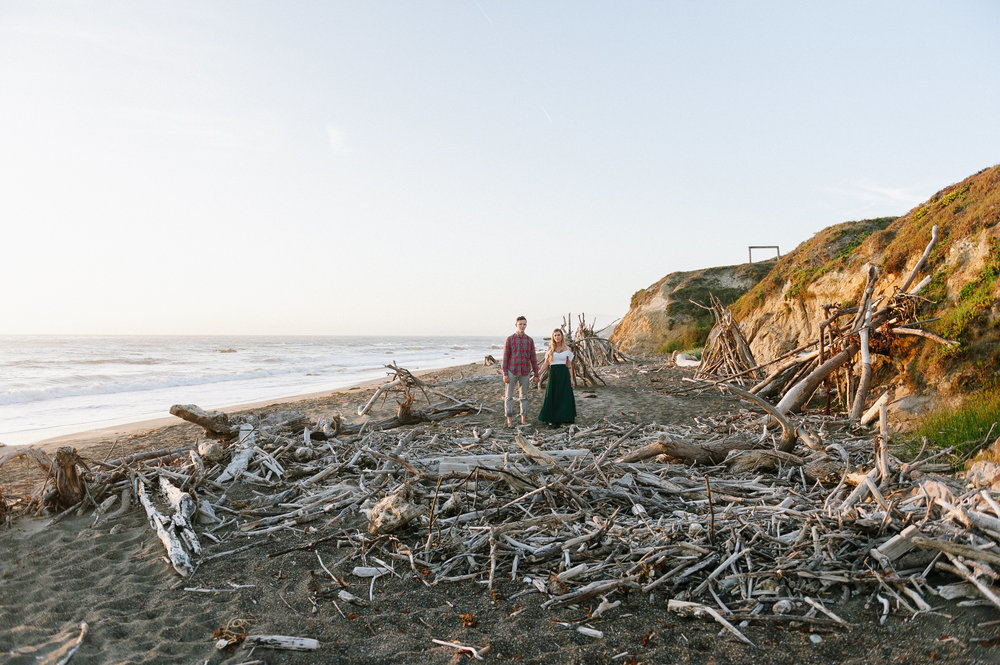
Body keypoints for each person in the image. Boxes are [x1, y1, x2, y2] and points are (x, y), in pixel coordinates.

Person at [501, 316, 539, 427]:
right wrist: (505, 373)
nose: (522, 326)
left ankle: (523, 420)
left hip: (525, 372)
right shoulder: (510, 339)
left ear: (526, 325)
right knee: (508, 396)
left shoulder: (529, 340)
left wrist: (536, 373)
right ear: (516, 325)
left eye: (524, 324)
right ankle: (509, 421)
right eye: (520, 324)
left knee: (524, 396)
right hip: (512, 371)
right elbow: (505, 357)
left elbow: (533, 358)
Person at [537, 328, 577, 428]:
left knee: (564, 396)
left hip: (563, 374)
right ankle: (551, 418)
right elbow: (546, 364)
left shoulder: (568, 349)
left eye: (558, 335)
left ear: (562, 336)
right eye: (555, 335)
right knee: (552, 395)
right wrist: (538, 373)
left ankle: (564, 418)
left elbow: (569, 365)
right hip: (553, 374)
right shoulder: (550, 349)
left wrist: (572, 379)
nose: (557, 337)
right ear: (553, 337)